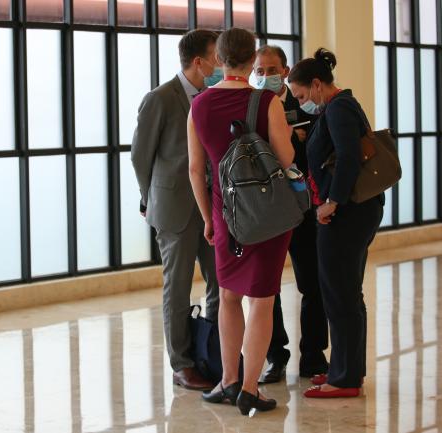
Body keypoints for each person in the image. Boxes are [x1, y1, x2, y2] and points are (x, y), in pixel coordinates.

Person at [188, 27, 295, 414]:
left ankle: (228, 380)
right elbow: (285, 160)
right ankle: (251, 388)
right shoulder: (267, 101)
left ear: (219, 59)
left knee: (229, 297)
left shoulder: (198, 105)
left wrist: (207, 218)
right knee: (262, 302)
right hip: (266, 214)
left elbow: (195, 169)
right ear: (252, 61)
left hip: (224, 213)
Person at [288, 48, 384, 398]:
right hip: (356, 211)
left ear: (316, 85)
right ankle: (347, 371)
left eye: (301, 95)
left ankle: (343, 378)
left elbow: (347, 157)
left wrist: (332, 203)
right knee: (346, 293)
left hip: (347, 213)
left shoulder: (339, 107)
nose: (302, 102)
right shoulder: (340, 105)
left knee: (339, 294)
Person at [131, 29, 221, 391]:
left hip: (211, 207)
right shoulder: (160, 98)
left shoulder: (213, 96)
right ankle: (182, 363)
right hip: (173, 207)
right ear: (198, 62)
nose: (220, 64)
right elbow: (140, 155)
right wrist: (148, 197)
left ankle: (212, 352)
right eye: (216, 57)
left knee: (219, 282)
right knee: (178, 286)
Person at [253, 45, 329, 384]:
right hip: (268, 210)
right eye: (261, 70)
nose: (266, 76)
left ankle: (313, 356)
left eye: (272, 69)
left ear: (285, 71)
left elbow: (319, 151)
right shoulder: (253, 106)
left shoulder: (307, 105)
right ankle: (275, 356)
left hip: (305, 209)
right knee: (267, 288)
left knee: (312, 285)